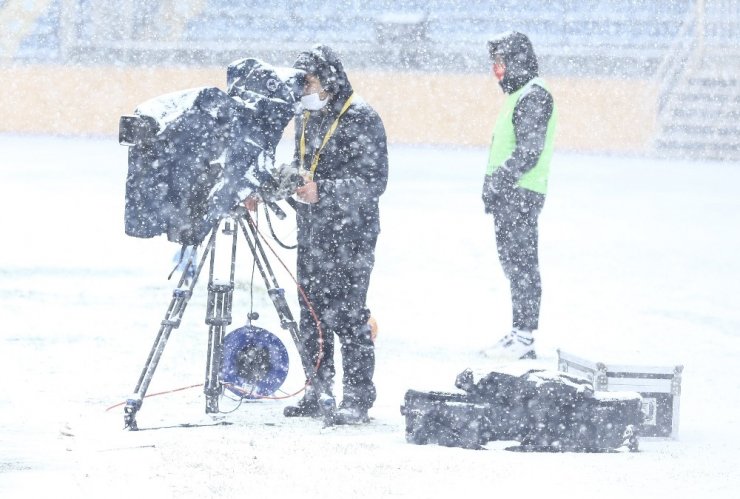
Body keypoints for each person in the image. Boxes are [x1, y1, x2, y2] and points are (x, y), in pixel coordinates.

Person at [278, 45, 388, 424]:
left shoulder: (361, 117)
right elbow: (302, 165)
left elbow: (374, 182)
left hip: (351, 234)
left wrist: (323, 190)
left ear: (329, 79)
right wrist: (274, 187)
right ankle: (317, 389)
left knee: (347, 316)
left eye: (307, 82)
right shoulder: (306, 116)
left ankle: (357, 399)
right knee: (311, 315)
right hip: (312, 232)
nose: (303, 90)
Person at [480, 32, 557, 360]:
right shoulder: (519, 94)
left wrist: (498, 182)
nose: (497, 69)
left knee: (522, 263)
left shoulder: (533, 95)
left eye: (501, 61)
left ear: (516, 60)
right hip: (510, 194)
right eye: (494, 62)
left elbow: (528, 151)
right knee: (514, 263)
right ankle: (518, 332)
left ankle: (524, 337)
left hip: (520, 194)